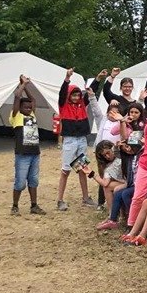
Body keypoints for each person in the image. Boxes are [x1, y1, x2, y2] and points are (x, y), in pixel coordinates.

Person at [56, 68, 94, 211]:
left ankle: (86, 198)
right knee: (65, 170)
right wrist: (67, 78)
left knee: (82, 169)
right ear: (69, 95)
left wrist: (98, 79)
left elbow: (90, 91)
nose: (76, 97)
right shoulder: (63, 105)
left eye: (78, 95)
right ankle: (60, 200)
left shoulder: (82, 105)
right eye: (73, 95)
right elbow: (62, 93)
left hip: (82, 140)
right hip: (70, 141)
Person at [10, 76, 45, 215]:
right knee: (20, 182)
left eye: (30, 107)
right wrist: (23, 84)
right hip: (22, 155)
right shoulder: (16, 116)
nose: (29, 108)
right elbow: (17, 96)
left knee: (33, 181)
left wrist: (26, 87)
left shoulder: (32, 116)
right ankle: (15, 206)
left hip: (35, 154)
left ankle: (34, 206)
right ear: (19, 108)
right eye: (26, 107)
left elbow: (33, 100)